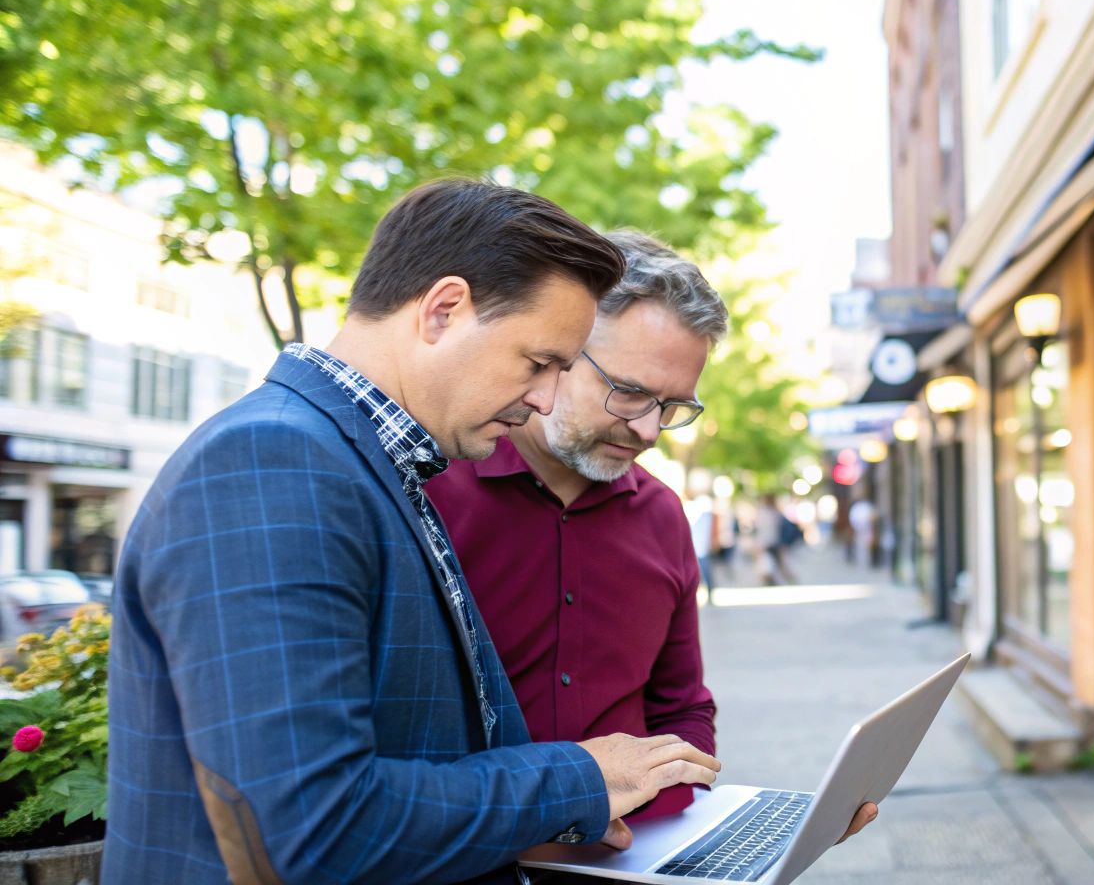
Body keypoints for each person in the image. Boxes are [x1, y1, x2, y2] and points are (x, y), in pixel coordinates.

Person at [106, 181, 720, 885]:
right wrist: (575, 778)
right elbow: (312, 828)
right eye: (539, 362)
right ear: (443, 311)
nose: (545, 398)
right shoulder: (272, 461)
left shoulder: (362, 460)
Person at [426, 231, 875, 846]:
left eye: (672, 406)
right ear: (558, 350)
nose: (649, 430)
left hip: (641, 854)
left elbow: (682, 706)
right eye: (630, 392)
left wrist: (695, 824)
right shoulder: (427, 492)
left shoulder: (663, 515)